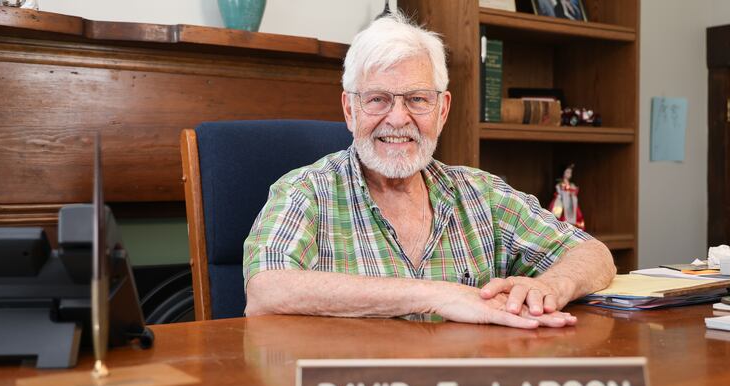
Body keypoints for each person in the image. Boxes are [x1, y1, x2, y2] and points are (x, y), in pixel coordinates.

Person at [243, 12, 615, 329]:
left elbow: (593, 254)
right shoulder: (305, 192)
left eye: (417, 99)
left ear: (442, 111)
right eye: (378, 99)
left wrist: (552, 286)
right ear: (349, 110)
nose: (398, 118)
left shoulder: (481, 193)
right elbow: (265, 290)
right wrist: (435, 296)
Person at [548, 164, 585, 230]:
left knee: (575, 214)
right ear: (563, 173)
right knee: (559, 213)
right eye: (567, 172)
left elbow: (574, 191)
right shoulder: (560, 183)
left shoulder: (571, 184)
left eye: (570, 173)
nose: (569, 174)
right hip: (562, 201)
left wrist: (572, 191)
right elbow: (559, 191)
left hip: (571, 203)